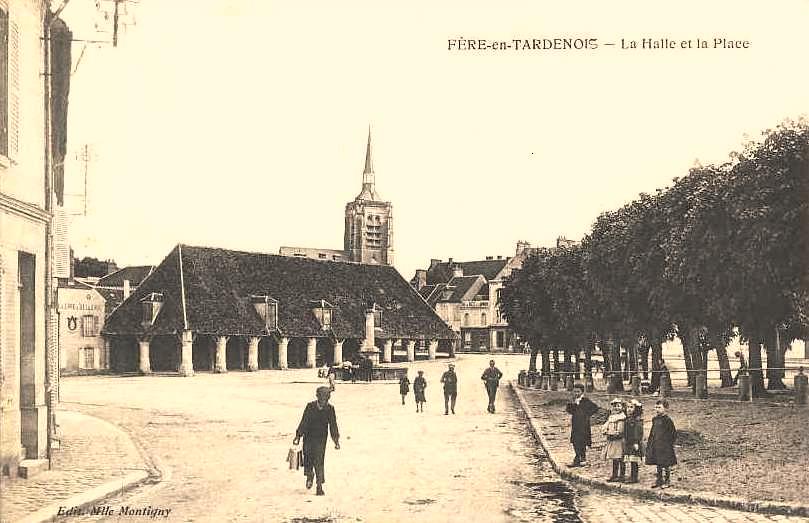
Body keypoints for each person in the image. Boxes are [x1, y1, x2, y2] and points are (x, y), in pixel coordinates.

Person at [293, 386, 340, 496]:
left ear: (328, 398)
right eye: (321, 398)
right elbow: (304, 421)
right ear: (317, 397)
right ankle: (310, 475)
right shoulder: (310, 406)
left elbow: (333, 426)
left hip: (321, 440)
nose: (323, 401)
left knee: (319, 461)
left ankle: (319, 486)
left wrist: (336, 440)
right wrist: (298, 436)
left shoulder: (330, 409)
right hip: (308, 438)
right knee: (308, 459)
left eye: (325, 399)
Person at [565, 383, 599, 467]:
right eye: (574, 392)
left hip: (584, 425)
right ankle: (577, 458)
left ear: (582, 392)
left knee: (582, 441)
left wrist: (587, 415)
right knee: (575, 441)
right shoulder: (573, 401)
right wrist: (572, 404)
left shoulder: (585, 401)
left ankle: (582, 458)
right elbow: (569, 410)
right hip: (575, 424)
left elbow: (595, 408)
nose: (576, 393)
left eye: (578, 391)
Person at [646, 399, 677, 489]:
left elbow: (673, 433)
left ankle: (667, 480)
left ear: (666, 408)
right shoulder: (655, 419)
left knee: (666, 464)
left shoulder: (668, 420)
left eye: (659, 407)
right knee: (658, 463)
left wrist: (669, 443)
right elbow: (653, 432)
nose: (657, 409)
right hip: (656, 444)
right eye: (656, 407)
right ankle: (659, 480)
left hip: (665, 446)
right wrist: (651, 442)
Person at [602, 398, 627, 482]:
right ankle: (614, 474)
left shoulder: (622, 417)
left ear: (622, 407)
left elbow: (621, 429)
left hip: (619, 440)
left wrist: (617, 433)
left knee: (621, 458)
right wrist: (605, 430)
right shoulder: (611, 417)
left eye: (618, 406)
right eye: (615, 406)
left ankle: (622, 475)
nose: (616, 408)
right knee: (614, 458)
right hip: (612, 439)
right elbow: (606, 425)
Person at [623, 399, 644, 483]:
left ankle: (634, 477)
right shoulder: (628, 418)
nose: (629, 409)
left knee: (634, 459)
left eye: (631, 407)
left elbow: (638, 431)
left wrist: (636, 441)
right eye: (628, 407)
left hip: (634, 442)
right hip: (628, 441)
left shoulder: (637, 420)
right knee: (630, 458)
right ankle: (632, 476)